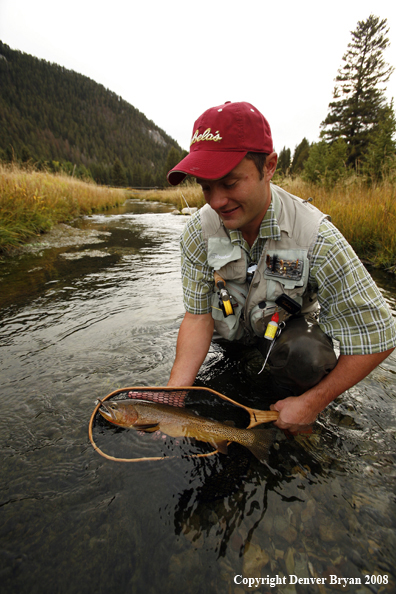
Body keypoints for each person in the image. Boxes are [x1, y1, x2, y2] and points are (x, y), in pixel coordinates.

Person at [166, 101, 396, 433]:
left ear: (269, 166)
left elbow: (379, 333)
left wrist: (312, 403)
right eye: (206, 187)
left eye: (229, 184)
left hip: (282, 336)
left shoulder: (317, 238)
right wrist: (174, 396)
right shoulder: (198, 232)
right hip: (231, 336)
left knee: (308, 356)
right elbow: (198, 316)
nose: (216, 202)